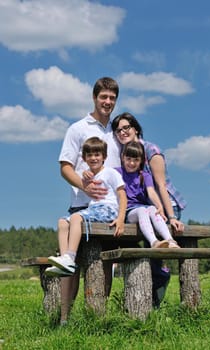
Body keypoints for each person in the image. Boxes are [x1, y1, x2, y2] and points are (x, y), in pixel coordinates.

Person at [50, 77, 122, 325]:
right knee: (71, 264)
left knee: (105, 264)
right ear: (94, 98)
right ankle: (65, 317)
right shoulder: (78, 128)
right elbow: (65, 167)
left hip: (109, 209)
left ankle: (99, 318)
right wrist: (85, 187)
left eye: (112, 98)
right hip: (81, 205)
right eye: (103, 97)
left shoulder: (115, 133)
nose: (107, 102)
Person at [112, 112, 187, 307]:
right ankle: (155, 287)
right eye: (118, 130)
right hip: (141, 208)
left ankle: (157, 286)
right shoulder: (125, 155)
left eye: (126, 127)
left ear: (135, 128)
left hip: (164, 205)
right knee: (146, 249)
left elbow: (160, 187)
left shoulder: (150, 149)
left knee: (152, 249)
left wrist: (170, 216)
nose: (122, 132)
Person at [46, 137, 127, 276]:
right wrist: (84, 175)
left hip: (108, 209)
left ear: (104, 157)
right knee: (62, 222)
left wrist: (121, 219)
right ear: (84, 158)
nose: (93, 158)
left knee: (76, 217)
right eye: (89, 155)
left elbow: (123, 196)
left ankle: (70, 257)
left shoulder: (111, 172)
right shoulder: (87, 175)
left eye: (97, 155)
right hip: (93, 209)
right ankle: (65, 262)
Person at [116, 141, 180, 249]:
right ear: (123, 157)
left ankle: (170, 241)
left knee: (152, 208)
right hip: (128, 212)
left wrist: (159, 207)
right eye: (129, 159)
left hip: (143, 210)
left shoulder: (145, 175)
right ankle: (154, 242)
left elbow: (151, 192)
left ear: (141, 160)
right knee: (142, 210)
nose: (132, 163)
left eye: (136, 160)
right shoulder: (117, 172)